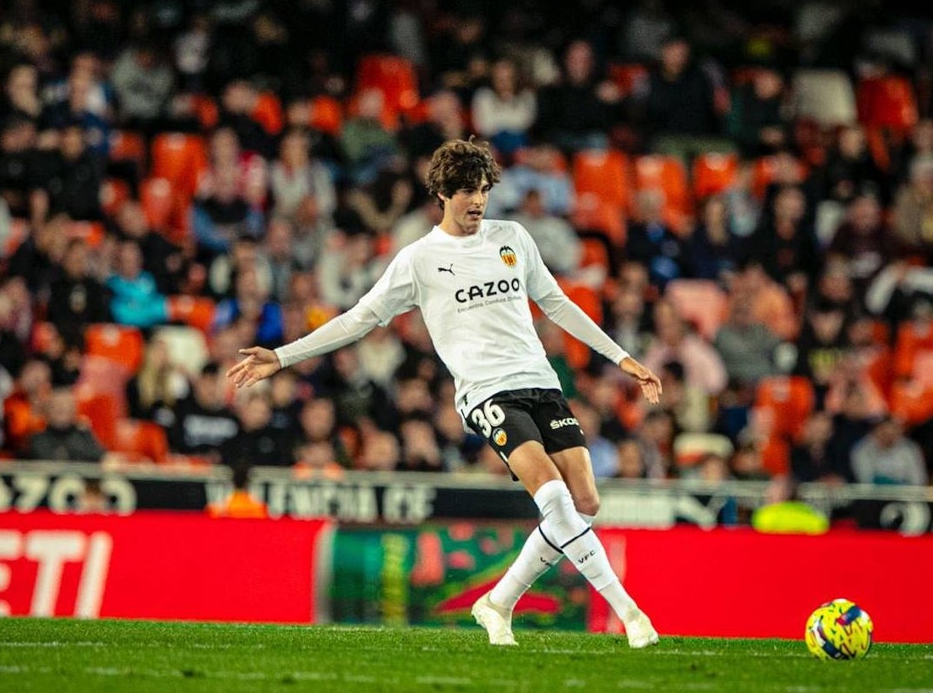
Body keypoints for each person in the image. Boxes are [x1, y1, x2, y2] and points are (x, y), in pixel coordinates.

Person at [228, 138, 663, 648]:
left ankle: (497, 602)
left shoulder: (513, 238)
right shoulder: (419, 260)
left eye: (482, 190)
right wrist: (282, 356)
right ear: (441, 193)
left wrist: (621, 358)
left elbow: (559, 304)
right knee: (551, 496)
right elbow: (359, 318)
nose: (477, 201)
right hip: (487, 394)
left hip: (541, 382)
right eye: (465, 192)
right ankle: (631, 614)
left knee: (583, 501)